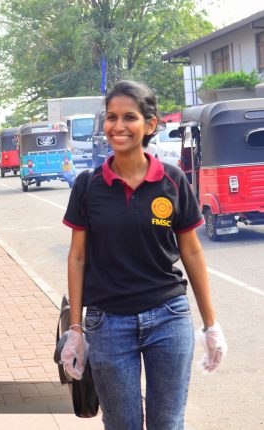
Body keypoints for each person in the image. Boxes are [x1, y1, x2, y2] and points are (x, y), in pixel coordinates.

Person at [61, 80, 227, 430]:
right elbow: (77, 258)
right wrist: (75, 329)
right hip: (108, 323)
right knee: (122, 424)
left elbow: (192, 252)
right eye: (111, 117)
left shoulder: (172, 180)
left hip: (168, 317)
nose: (118, 126)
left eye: (129, 117)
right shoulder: (89, 186)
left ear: (150, 125)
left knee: (168, 423)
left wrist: (211, 324)